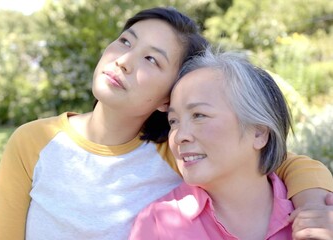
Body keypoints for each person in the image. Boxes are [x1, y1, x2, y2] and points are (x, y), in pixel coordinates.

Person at [0, 7, 333, 240]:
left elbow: (276, 160)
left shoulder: (175, 150)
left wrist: (313, 203)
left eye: (151, 58)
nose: (123, 60)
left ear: (170, 96)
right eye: (125, 41)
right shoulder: (34, 141)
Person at [129, 48, 301, 239]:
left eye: (199, 115)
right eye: (173, 121)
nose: (179, 136)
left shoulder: (316, 211)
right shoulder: (157, 225)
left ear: (259, 132)